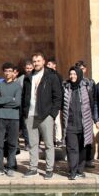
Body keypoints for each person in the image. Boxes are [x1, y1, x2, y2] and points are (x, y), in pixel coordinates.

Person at [21, 52, 63, 180]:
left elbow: (58, 96)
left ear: (43, 61)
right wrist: (24, 112)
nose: (36, 63)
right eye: (34, 61)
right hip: (30, 114)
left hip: (46, 115)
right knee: (33, 144)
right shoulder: (28, 77)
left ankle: (49, 169)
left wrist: (52, 114)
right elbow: (24, 96)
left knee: (49, 144)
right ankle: (33, 168)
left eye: (38, 61)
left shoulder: (51, 76)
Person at [61, 66, 95, 180]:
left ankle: (80, 170)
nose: (72, 76)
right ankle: (73, 170)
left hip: (83, 124)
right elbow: (62, 105)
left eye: (74, 74)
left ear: (79, 75)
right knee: (71, 148)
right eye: (70, 74)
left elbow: (92, 104)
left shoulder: (86, 88)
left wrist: (94, 119)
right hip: (70, 124)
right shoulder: (66, 87)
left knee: (82, 148)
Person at [0, 62, 22, 177]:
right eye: (6, 71)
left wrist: (3, 99)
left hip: (13, 118)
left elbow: (17, 102)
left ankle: (10, 167)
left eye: (10, 71)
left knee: (12, 144)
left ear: (13, 72)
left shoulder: (17, 86)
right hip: (0, 117)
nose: (8, 73)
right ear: (3, 72)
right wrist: (11, 99)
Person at [75, 60, 97, 168]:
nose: (81, 71)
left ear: (86, 69)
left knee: (88, 137)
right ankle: (79, 160)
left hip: (88, 113)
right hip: (77, 114)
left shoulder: (90, 82)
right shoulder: (73, 81)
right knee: (78, 137)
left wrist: (94, 115)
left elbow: (94, 98)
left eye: (83, 69)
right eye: (79, 69)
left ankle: (89, 159)